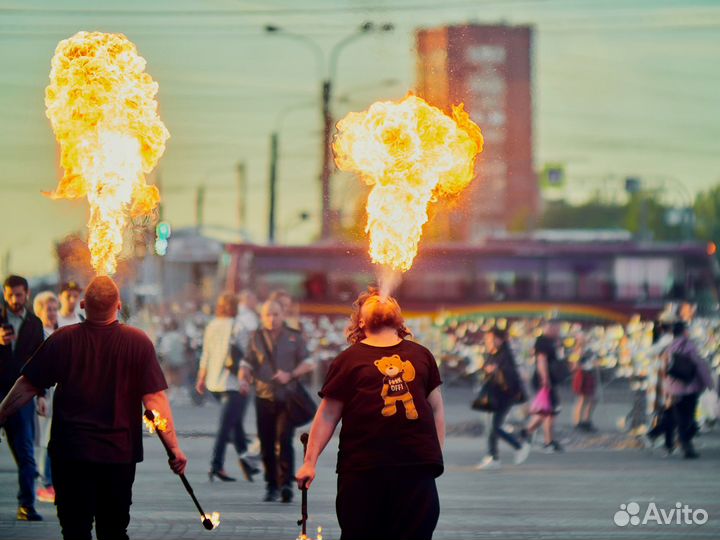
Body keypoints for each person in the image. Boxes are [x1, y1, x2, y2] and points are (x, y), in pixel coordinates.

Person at [0, 276, 188, 540]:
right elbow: (155, 400)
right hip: (118, 457)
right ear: (119, 305)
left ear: (84, 304)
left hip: (71, 456)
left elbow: (27, 386)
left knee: (75, 532)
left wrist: (1, 413)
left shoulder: (62, 340)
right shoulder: (138, 342)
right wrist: (175, 448)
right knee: (113, 531)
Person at [296, 289, 445, 540]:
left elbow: (437, 408)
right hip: (362, 472)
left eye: (386, 298)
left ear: (398, 318)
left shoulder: (421, 355)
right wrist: (310, 462)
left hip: (415, 471)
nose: (381, 298)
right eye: (372, 300)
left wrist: (434, 454)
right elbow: (328, 414)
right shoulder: (348, 359)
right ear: (361, 321)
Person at [240, 299, 314, 503]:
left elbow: (308, 363)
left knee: (284, 439)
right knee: (266, 442)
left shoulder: (294, 337)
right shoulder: (256, 337)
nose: (272, 319)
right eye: (268, 315)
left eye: (275, 314)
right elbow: (247, 362)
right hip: (263, 396)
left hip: (287, 398)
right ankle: (271, 485)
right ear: (262, 316)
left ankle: (286, 484)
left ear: (283, 315)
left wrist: (290, 374)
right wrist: (243, 379)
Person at [195, 292, 258, 482]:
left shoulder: (211, 325)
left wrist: (201, 378)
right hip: (232, 383)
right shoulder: (239, 326)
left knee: (234, 424)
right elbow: (247, 357)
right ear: (235, 307)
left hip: (214, 383)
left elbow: (205, 354)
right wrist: (246, 380)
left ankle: (247, 462)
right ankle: (216, 465)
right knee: (226, 426)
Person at [0, 275, 44, 521]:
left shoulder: (34, 324)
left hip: (21, 395)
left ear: (26, 294)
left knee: (25, 451)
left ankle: (26, 505)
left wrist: (41, 394)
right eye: (10, 295)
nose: (14, 300)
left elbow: (40, 363)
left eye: (18, 294)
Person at [476, 327, 530, 470]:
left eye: (491, 339)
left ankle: (518, 445)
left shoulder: (505, 355)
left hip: (505, 396)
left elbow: (510, 377)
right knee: (491, 426)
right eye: (487, 339)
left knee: (494, 426)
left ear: (499, 340)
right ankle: (493, 457)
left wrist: (495, 371)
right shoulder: (492, 353)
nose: (488, 341)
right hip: (493, 394)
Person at [662, 321, 714, 459]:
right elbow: (699, 365)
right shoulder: (689, 345)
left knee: (680, 415)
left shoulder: (670, 347)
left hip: (674, 387)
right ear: (684, 331)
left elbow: (667, 368)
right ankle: (686, 443)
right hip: (690, 386)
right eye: (687, 329)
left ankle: (684, 442)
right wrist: (708, 382)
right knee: (689, 416)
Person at [32, 291, 59, 504]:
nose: (52, 313)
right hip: (43, 391)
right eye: (48, 309)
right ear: (39, 310)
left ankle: (52, 482)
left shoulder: (61, 331)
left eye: (54, 308)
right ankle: (45, 483)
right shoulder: (38, 333)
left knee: (54, 437)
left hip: (59, 391)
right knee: (44, 440)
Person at [524, 321, 564, 453]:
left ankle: (546, 441)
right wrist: (545, 379)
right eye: (557, 327)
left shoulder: (553, 342)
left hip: (549, 380)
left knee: (549, 411)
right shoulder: (542, 341)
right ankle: (529, 434)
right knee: (547, 411)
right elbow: (541, 360)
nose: (559, 330)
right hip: (544, 380)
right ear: (549, 328)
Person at [571, 334, 598, 432]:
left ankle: (586, 420)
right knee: (582, 399)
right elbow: (574, 366)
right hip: (582, 375)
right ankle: (578, 422)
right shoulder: (578, 351)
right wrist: (584, 366)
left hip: (588, 375)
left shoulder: (588, 350)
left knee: (591, 399)